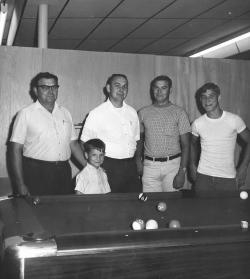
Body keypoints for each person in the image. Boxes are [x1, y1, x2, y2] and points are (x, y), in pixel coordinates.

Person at [9, 72, 86, 196]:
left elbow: (73, 144)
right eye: (45, 87)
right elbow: (14, 150)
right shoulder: (25, 114)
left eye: (54, 87)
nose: (50, 91)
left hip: (63, 172)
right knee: (36, 214)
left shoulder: (65, 113)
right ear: (35, 90)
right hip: (36, 172)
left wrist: (89, 167)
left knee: (62, 212)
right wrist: (20, 184)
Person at [80, 74, 141, 193]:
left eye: (125, 86)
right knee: (109, 206)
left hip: (130, 166)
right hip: (108, 166)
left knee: (133, 203)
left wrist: (138, 161)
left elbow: (136, 140)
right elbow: (83, 143)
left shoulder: (132, 112)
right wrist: (93, 168)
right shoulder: (96, 113)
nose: (121, 89)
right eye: (117, 86)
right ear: (108, 88)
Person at [190, 82, 250, 195]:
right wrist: (192, 165)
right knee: (202, 212)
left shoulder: (234, 119)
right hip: (203, 178)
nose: (207, 100)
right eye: (203, 97)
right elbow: (191, 144)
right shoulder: (197, 123)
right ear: (200, 100)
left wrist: (243, 167)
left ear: (219, 97)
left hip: (227, 179)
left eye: (211, 96)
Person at [136, 75, 191, 192]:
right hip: (149, 166)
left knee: (172, 205)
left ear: (170, 90)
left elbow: (186, 146)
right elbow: (139, 140)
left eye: (164, 88)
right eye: (156, 88)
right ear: (152, 90)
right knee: (149, 205)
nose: (159, 91)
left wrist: (182, 172)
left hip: (173, 166)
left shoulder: (179, 113)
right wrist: (138, 162)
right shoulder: (142, 113)